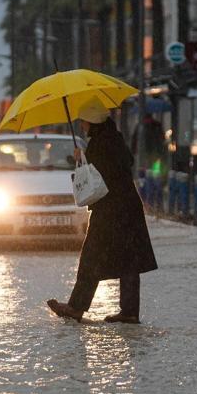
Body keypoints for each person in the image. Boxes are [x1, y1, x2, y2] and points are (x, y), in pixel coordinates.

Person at [47, 99, 157, 324]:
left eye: (84, 122)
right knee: (129, 260)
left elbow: (102, 172)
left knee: (91, 256)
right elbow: (125, 161)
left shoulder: (100, 143)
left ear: (91, 122)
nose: (82, 126)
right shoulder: (114, 137)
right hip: (127, 208)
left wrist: (84, 157)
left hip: (110, 210)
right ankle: (129, 312)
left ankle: (76, 307)